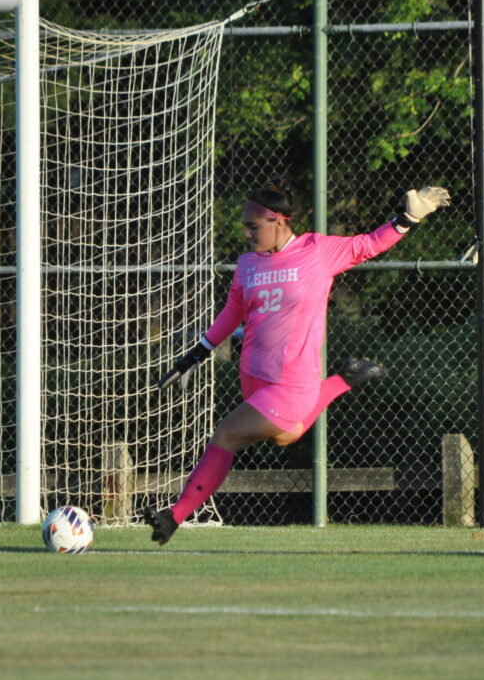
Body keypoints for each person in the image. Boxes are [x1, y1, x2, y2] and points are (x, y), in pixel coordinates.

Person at [145, 180, 452, 545]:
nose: (246, 232)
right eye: (244, 225)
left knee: (225, 435)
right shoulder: (247, 264)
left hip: (292, 383)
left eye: (252, 225)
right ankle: (343, 380)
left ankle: (173, 517)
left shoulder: (315, 250)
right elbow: (232, 313)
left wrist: (405, 219)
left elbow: (368, 245)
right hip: (254, 377)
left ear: (278, 221)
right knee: (286, 435)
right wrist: (196, 353)